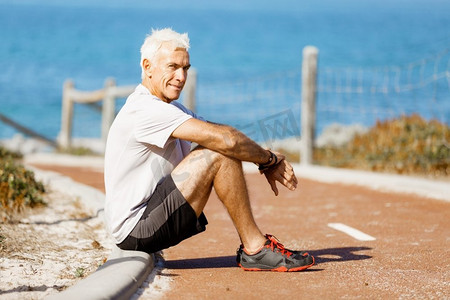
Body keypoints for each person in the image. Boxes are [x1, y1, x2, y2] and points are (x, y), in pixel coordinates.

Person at [104, 28, 314, 272]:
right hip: (136, 229)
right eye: (172, 67)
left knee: (220, 146)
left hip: (152, 215)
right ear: (148, 66)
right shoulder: (145, 109)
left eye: (186, 68)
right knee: (218, 151)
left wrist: (263, 157)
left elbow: (222, 134)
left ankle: (254, 248)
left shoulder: (172, 109)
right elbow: (226, 141)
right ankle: (255, 249)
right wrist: (269, 160)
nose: (181, 77)